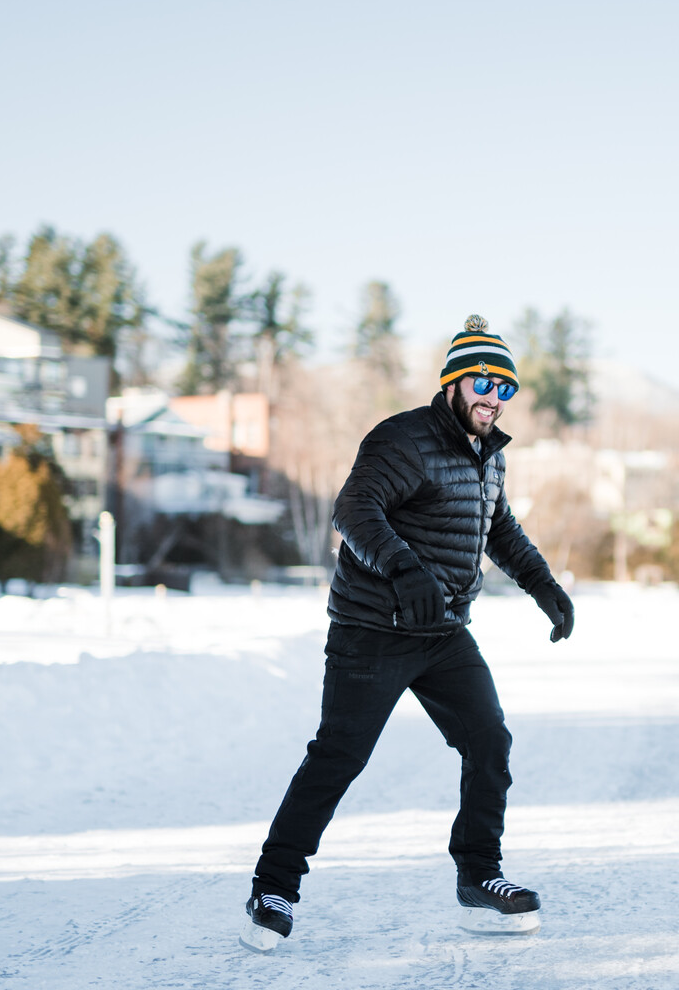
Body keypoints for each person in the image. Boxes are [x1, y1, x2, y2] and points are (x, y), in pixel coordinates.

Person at [243, 316, 576, 953]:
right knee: (340, 756)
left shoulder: (487, 457)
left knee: (489, 742)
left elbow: (499, 531)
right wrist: (403, 569)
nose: (493, 396)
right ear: (453, 382)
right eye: (482, 380)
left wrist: (545, 587)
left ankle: (479, 875)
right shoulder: (404, 440)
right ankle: (274, 886)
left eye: (505, 386)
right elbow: (352, 509)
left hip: (443, 633)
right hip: (372, 629)